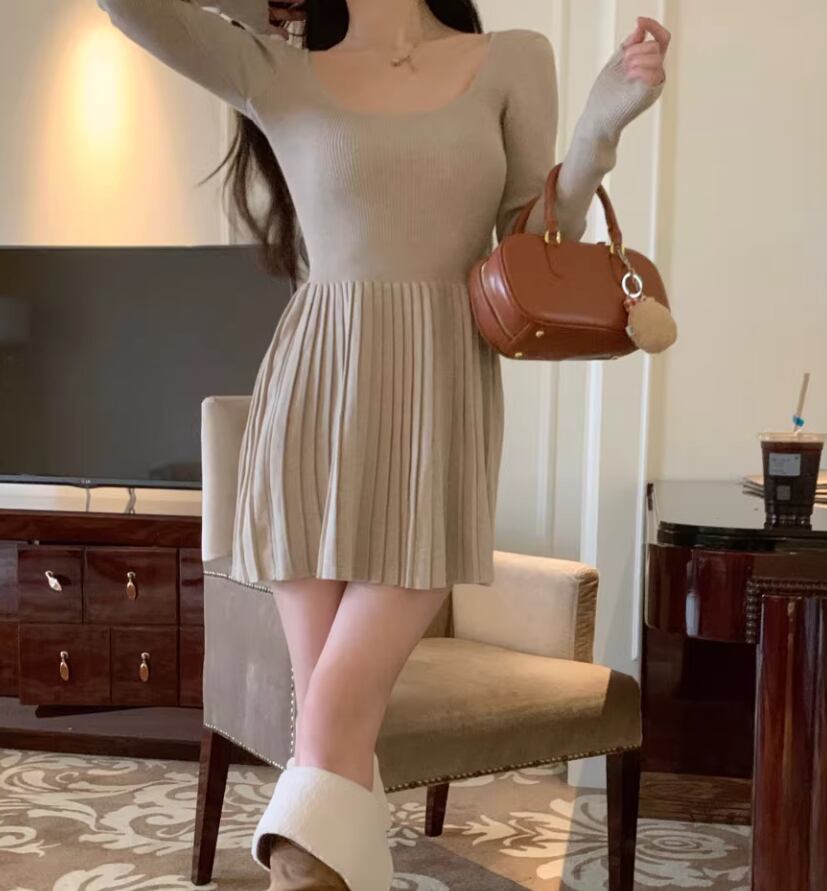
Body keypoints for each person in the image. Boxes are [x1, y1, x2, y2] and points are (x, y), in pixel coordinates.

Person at [96, 2, 668, 888]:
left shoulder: (512, 58)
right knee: (337, 737)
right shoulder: (275, 66)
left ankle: (302, 864)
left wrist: (598, 128)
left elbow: (531, 237)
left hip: (438, 404)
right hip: (307, 410)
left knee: (327, 725)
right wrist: (260, 6)